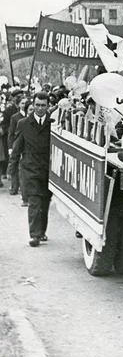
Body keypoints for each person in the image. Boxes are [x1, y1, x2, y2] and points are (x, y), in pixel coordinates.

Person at [8, 91, 53, 247]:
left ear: (48, 107)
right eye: (37, 105)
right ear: (33, 105)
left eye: (43, 106)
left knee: (45, 201)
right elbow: (16, 148)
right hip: (30, 169)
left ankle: (41, 232)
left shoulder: (53, 124)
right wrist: (11, 169)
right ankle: (34, 235)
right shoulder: (23, 124)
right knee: (34, 201)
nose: (40, 109)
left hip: (48, 170)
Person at [7, 97, 30, 196]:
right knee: (15, 165)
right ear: (18, 104)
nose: (24, 105)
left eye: (26, 103)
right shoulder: (15, 117)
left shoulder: (31, 116)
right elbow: (11, 133)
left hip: (26, 145)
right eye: (22, 103)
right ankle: (14, 186)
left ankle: (24, 187)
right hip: (17, 144)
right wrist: (10, 147)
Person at [0, 88, 24, 179]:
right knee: (10, 156)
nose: (20, 98)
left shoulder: (26, 107)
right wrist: (11, 131)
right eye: (18, 97)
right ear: (13, 98)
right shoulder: (9, 110)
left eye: (21, 97)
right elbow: (4, 124)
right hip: (11, 136)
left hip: (23, 136)